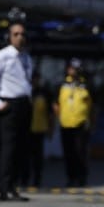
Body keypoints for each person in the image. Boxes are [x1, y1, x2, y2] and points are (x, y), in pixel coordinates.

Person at [0, 21, 32, 201]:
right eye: (16, 34)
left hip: (24, 104)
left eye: (23, 34)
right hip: (8, 104)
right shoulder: (2, 56)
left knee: (21, 148)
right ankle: (4, 188)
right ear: (9, 37)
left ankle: (13, 186)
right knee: (8, 148)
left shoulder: (26, 57)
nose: (20, 37)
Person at [53, 58, 93, 187]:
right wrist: (57, 118)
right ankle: (71, 178)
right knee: (69, 153)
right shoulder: (62, 84)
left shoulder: (86, 85)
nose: (73, 71)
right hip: (65, 124)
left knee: (81, 152)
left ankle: (82, 177)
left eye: (75, 68)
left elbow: (93, 105)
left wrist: (91, 122)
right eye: (71, 68)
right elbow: (56, 104)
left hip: (81, 124)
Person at [20, 71, 52, 188]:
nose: (35, 81)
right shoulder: (24, 92)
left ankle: (37, 180)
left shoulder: (44, 92)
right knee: (25, 156)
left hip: (39, 129)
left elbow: (49, 112)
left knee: (37, 157)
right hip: (26, 129)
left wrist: (50, 127)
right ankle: (24, 179)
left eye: (37, 79)